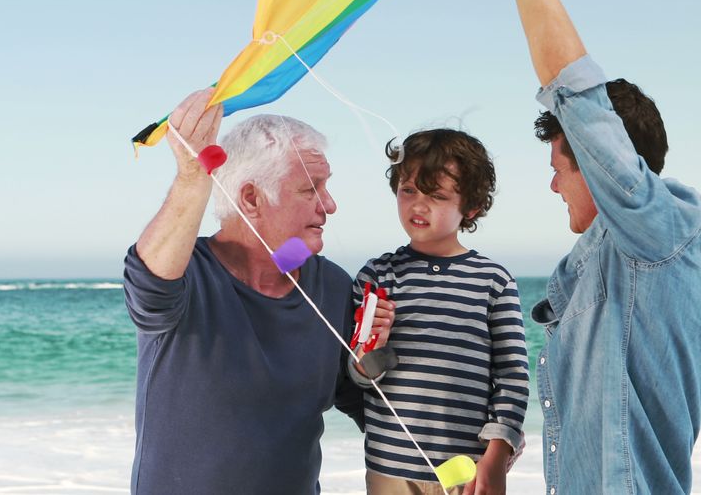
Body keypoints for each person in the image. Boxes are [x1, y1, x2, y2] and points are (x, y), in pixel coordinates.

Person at [474, 0, 701, 493]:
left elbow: (574, 89)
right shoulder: (590, 268)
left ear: (597, 161)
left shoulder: (660, 233)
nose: (554, 187)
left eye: (561, 168)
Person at [121, 88, 393, 494]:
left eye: (326, 186)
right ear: (250, 198)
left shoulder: (333, 285)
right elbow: (149, 283)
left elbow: (362, 405)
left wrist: (371, 367)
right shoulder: (187, 272)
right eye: (310, 189)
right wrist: (193, 176)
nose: (330, 205)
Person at [352, 129, 530, 495]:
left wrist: (496, 457)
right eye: (409, 190)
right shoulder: (377, 275)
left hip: (467, 474)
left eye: (437, 196)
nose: (418, 205)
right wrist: (373, 349)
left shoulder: (493, 281)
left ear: (471, 207)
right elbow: (359, 377)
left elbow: (512, 376)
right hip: (390, 472)